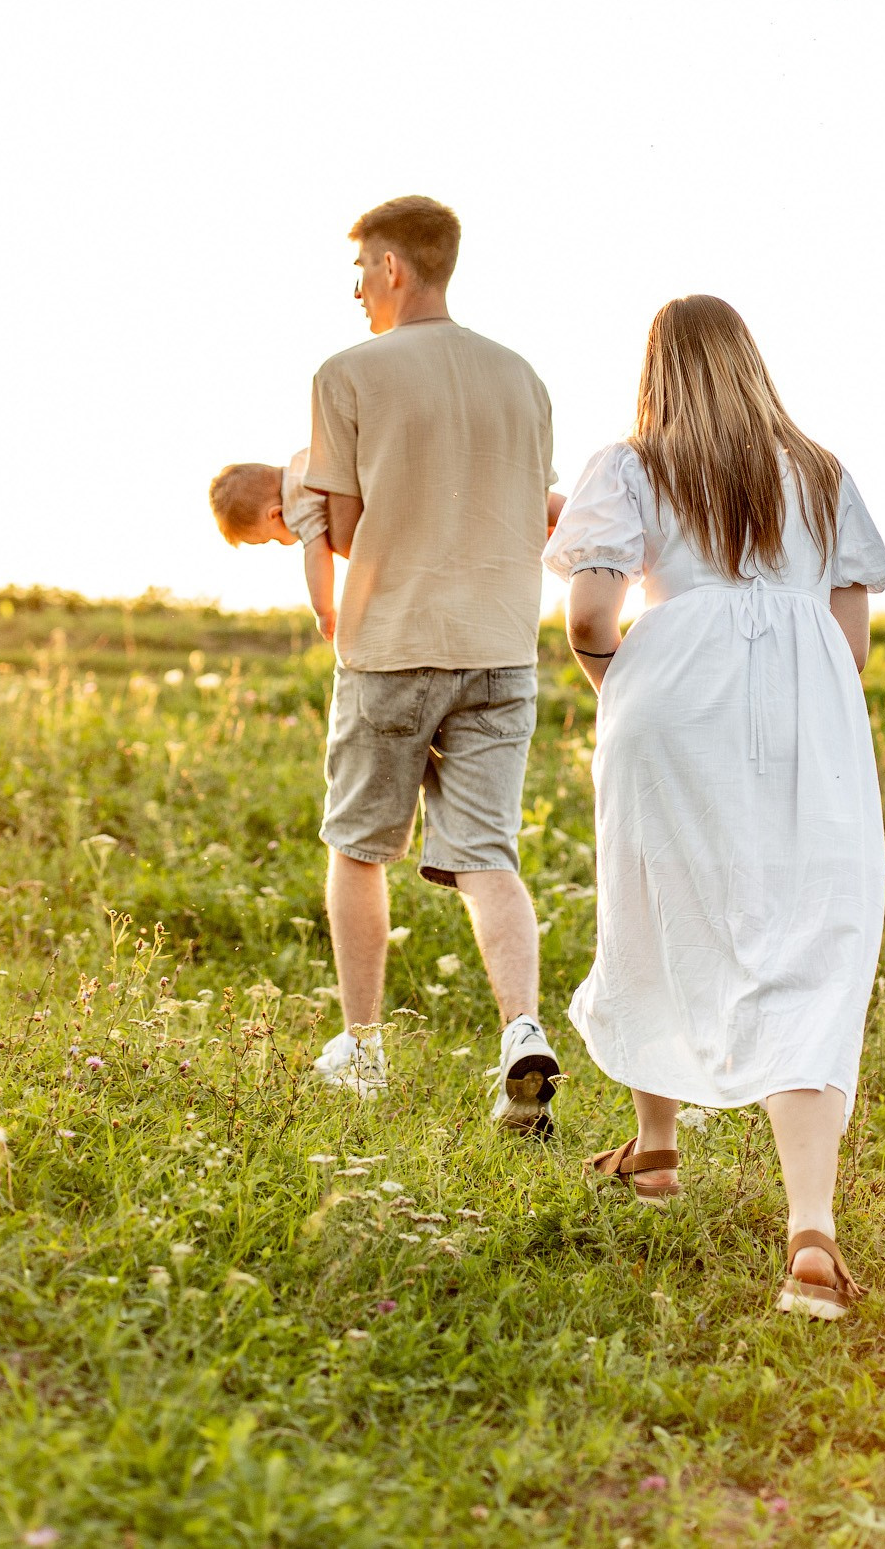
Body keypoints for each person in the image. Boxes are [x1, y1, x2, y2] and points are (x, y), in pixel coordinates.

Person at [545, 294, 885, 1318]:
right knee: (809, 948)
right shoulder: (820, 472)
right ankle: (808, 1235)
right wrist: (799, 711)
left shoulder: (630, 464)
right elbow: (849, 634)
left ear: (657, 371)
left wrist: (627, 692)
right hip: (806, 716)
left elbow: (589, 616)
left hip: (670, 701)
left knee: (655, 912)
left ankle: (657, 1147)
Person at [304, 194, 563, 1133]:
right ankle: (520, 1031)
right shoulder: (523, 378)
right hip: (502, 650)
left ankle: (364, 1050)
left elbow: (341, 529)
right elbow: (539, 508)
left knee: (361, 848)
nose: (356, 289)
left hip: (393, 648)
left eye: (361, 270)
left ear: (394, 269)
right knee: (490, 857)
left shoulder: (348, 373)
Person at [208, 452, 337, 641]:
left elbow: (317, 555)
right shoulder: (304, 460)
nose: (280, 544)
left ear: (276, 514)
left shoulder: (297, 504)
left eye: (271, 539)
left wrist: (323, 611)